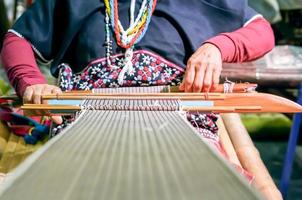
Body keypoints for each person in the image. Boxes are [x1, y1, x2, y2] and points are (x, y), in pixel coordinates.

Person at [1, 0, 281, 199]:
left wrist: (217, 47)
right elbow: (18, 38)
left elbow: (260, 29)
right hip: (84, 116)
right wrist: (31, 82)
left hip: (178, 117)